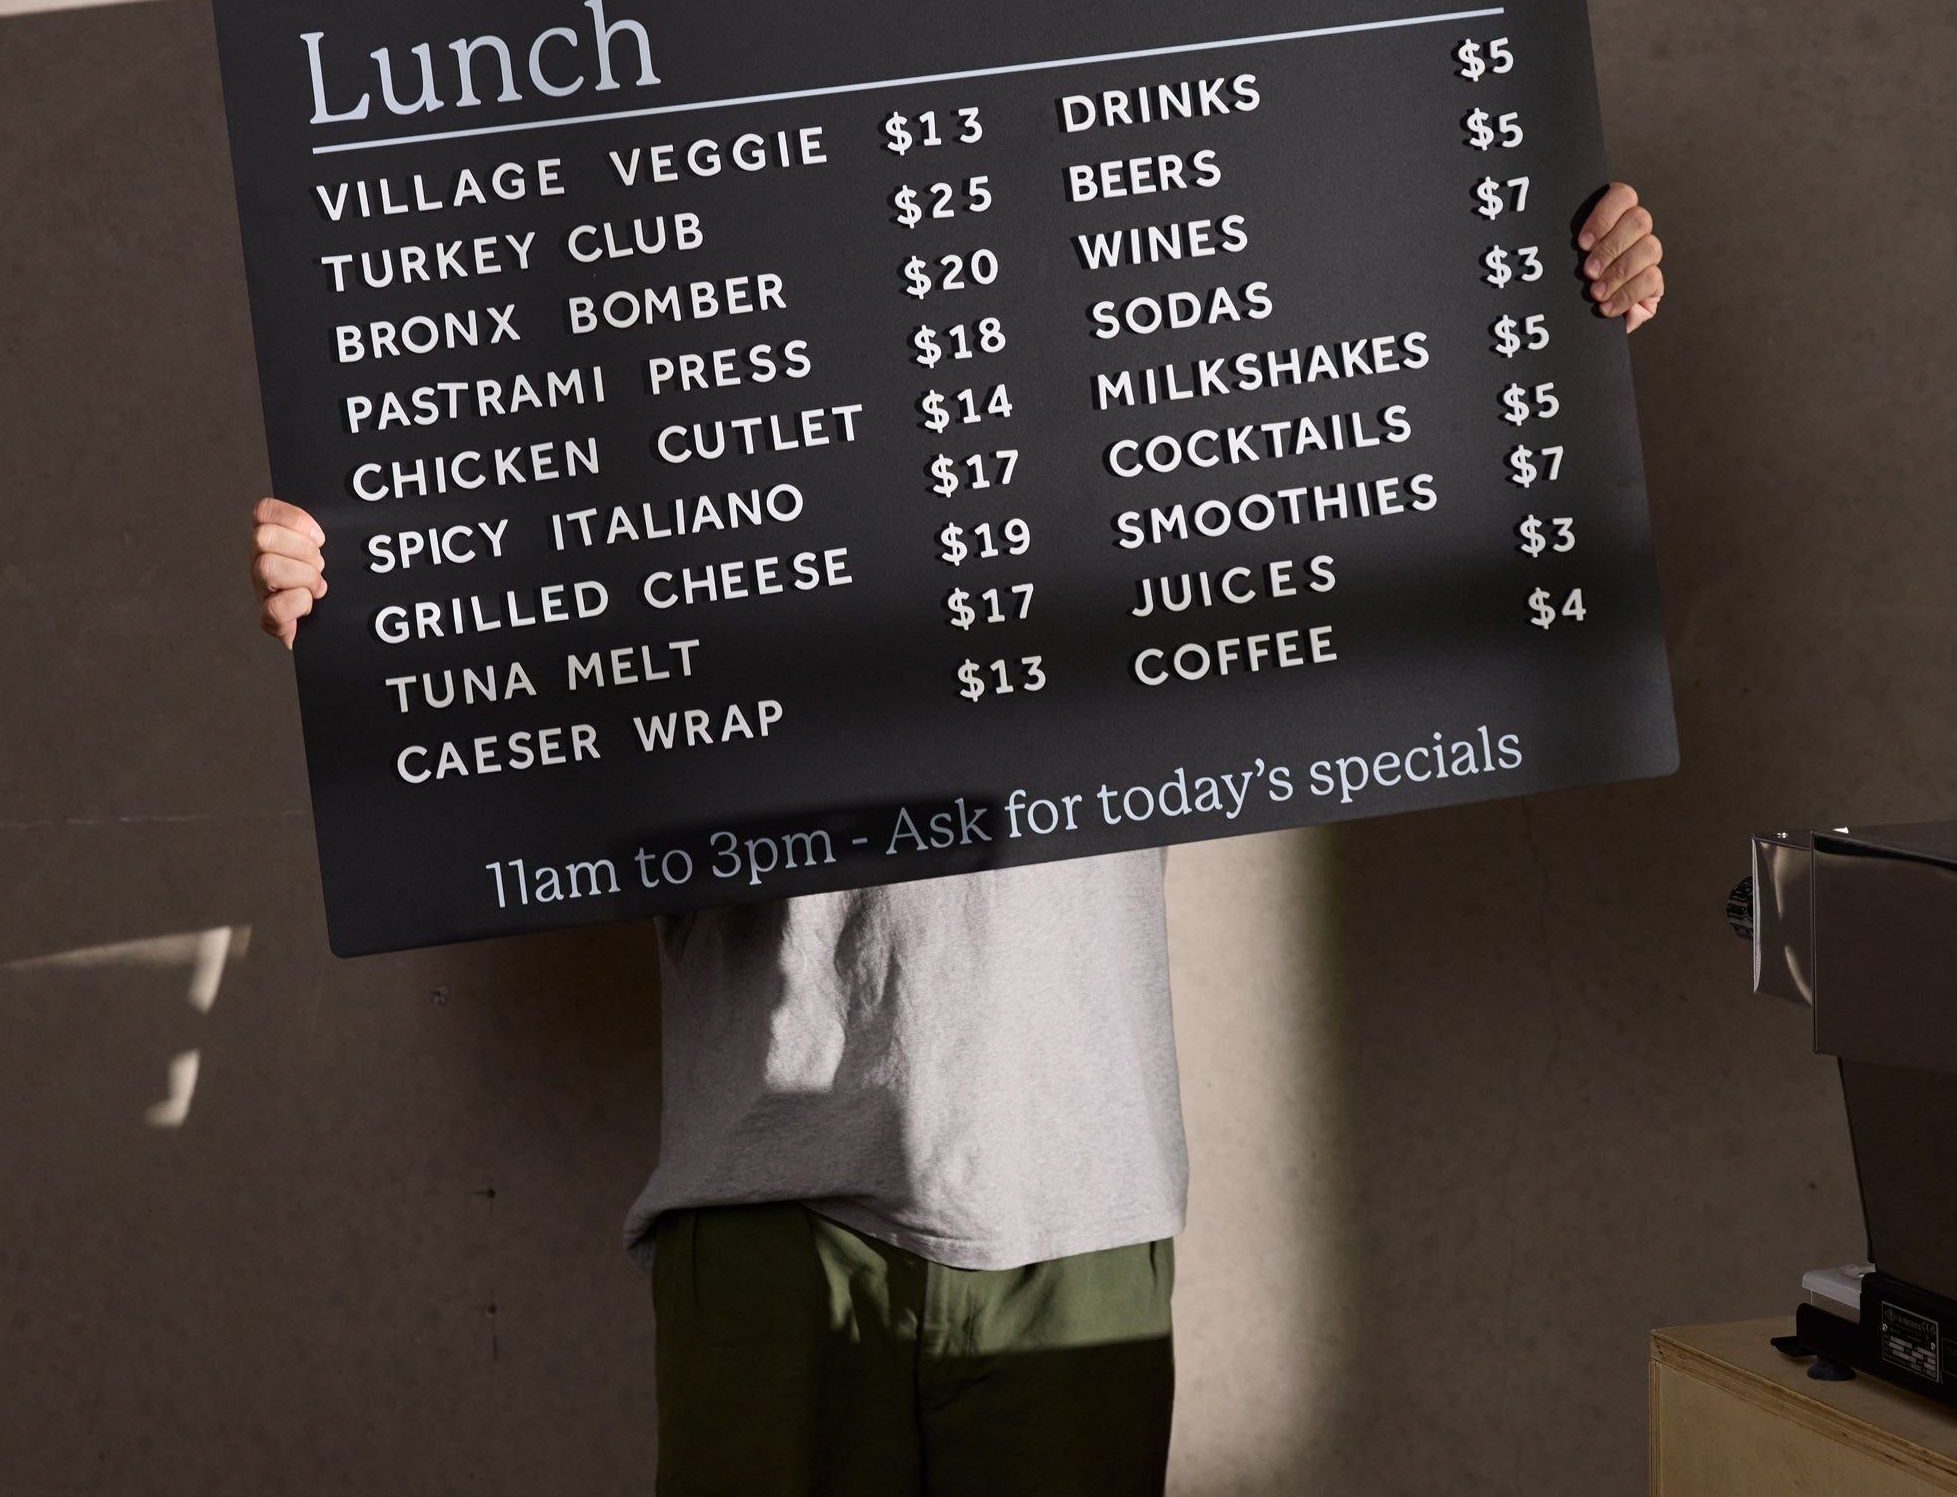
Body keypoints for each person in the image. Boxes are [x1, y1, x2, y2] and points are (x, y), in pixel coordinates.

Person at [249, 184, 1665, 1495]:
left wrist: (1551, 296)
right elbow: (499, 704)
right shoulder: (649, 442)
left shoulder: (1105, 429)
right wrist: (362, 588)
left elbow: (1380, 474)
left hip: (1074, 1186)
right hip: (766, 1186)